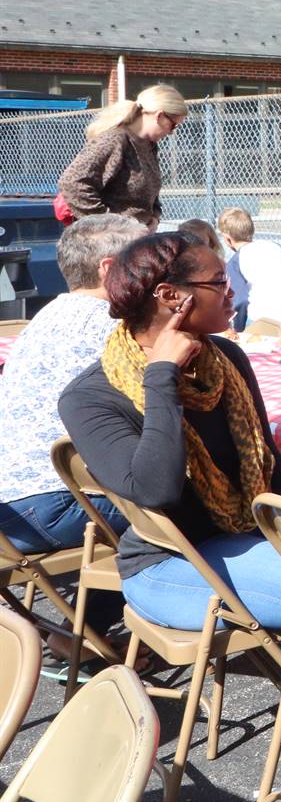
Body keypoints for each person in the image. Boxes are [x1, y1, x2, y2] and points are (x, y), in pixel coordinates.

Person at [57, 231, 281, 634]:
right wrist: (161, 377)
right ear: (170, 295)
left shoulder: (226, 359)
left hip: (248, 536)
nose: (232, 292)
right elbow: (156, 488)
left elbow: (273, 471)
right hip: (167, 564)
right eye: (220, 281)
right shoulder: (89, 397)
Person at [0, 215, 144, 556]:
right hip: (57, 504)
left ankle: (101, 607)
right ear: (109, 269)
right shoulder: (111, 326)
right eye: (146, 261)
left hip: (11, 508)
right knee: (193, 509)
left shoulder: (47, 315)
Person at [57, 84, 189, 229]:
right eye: (173, 125)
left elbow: (150, 191)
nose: (171, 133)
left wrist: (154, 217)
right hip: (106, 245)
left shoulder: (149, 145)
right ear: (159, 116)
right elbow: (72, 183)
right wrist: (110, 226)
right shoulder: (115, 140)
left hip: (135, 240)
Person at [218, 208, 281, 340]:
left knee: (254, 351)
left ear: (227, 239)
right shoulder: (275, 247)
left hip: (264, 315)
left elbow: (239, 299)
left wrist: (239, 330)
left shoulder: (237, 260)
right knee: (276, 349)